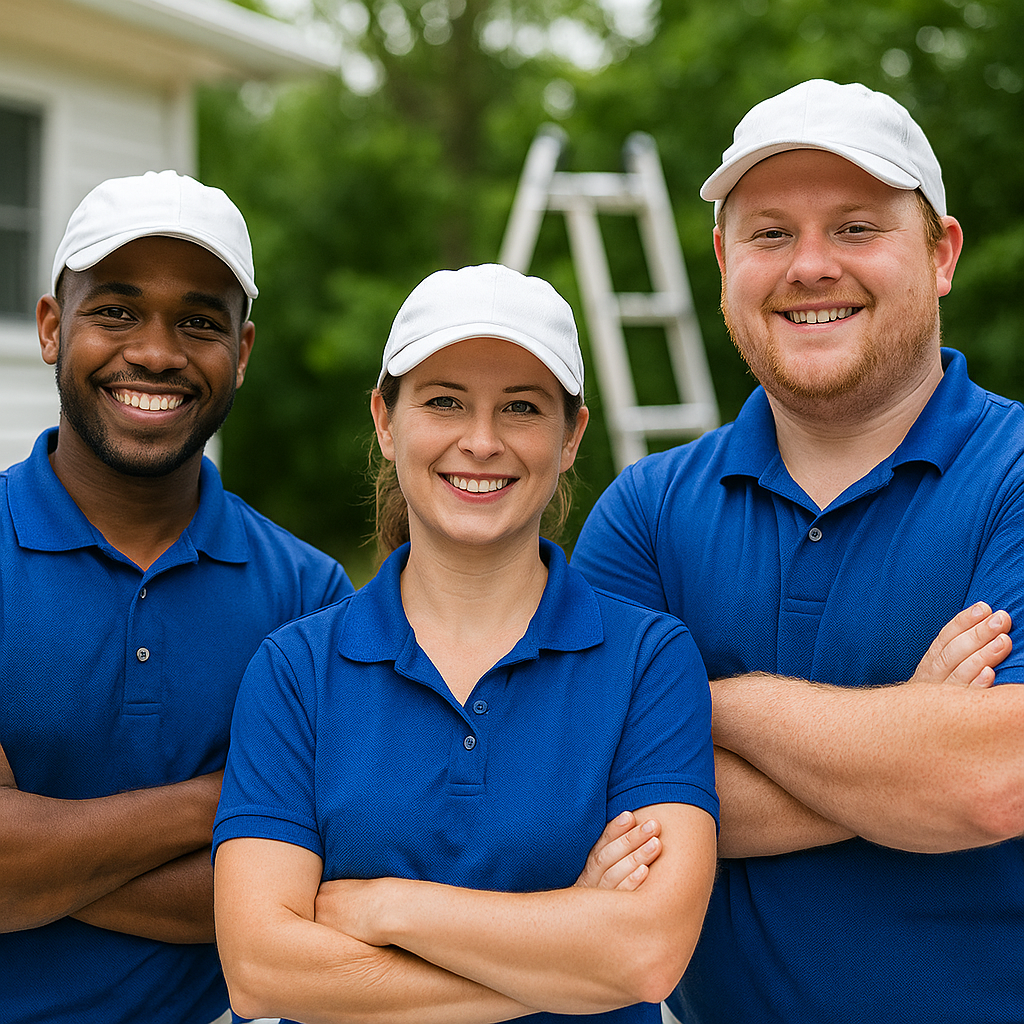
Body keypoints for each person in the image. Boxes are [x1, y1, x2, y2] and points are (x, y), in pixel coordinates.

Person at [572, 79, 1024, 1023]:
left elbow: (993, 778)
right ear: (722, 260)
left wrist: (701, 704)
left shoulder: (1014, 473)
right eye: (770, 233)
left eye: (857, 228)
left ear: (941, 255)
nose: (811, 266)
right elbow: (581, 805)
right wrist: (910, 743)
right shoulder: (647, 514)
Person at [212, 262, 719, 1024]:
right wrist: (568, 940)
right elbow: (260, 970)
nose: (481, 442)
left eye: (520, 407)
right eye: (445, 402)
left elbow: (646, 954)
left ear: (572, 435)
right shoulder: (295, 671)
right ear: (386, 421)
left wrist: (388, 908)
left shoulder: (650, 660)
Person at [0, 170, 354, 1024]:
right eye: (115, 311)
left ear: (242, 351)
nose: (156, 352)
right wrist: (226, 800)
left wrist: (38, 863)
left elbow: (319, 894)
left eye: (199, 321)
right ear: (53, 328)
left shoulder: (311, 594)